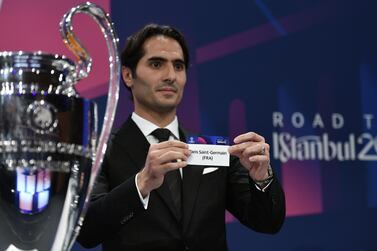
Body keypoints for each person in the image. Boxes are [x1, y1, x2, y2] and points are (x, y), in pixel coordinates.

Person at [77, 23, 285, 251]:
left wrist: (262, 178)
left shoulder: (216, 151)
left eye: (179, 66)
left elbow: (268, 222)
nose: (170, 76)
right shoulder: (100, 149)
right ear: (128, 75)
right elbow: (86, 231)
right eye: (156, 64)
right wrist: (142, 183)